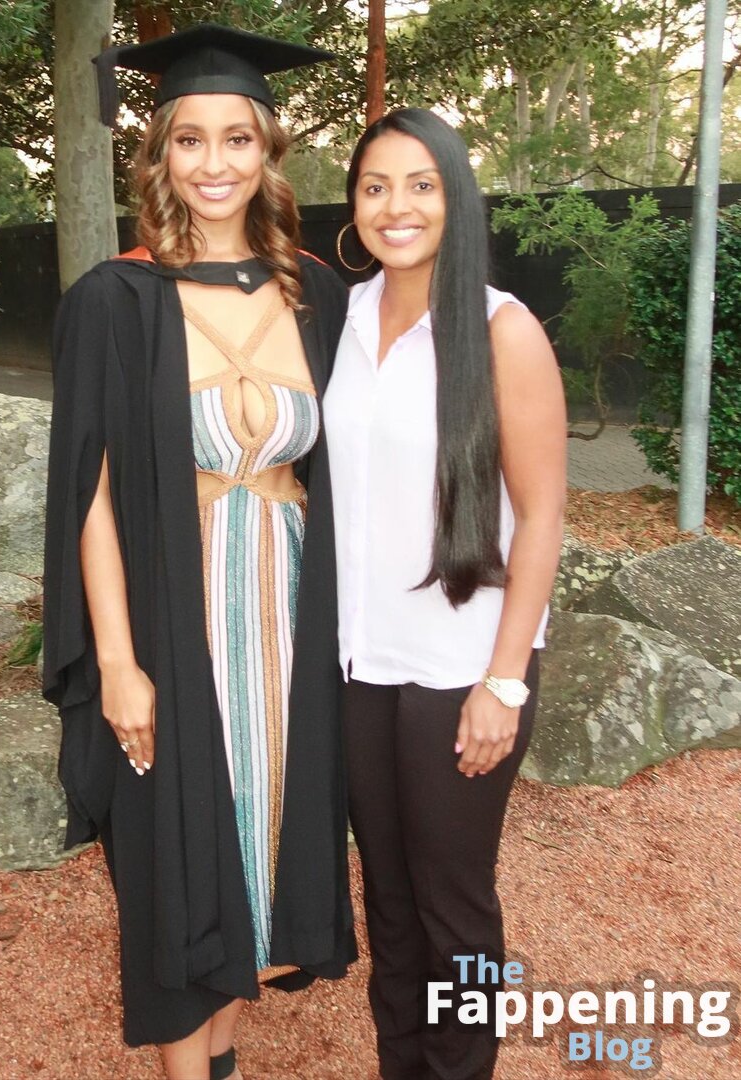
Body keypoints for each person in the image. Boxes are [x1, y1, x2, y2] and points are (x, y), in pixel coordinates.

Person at [42, 25, 355, 1080]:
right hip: (176, 618)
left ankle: (220, 1062)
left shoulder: (316, 294)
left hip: (290, 618)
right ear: (160, 155)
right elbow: (87, 497)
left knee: (254, 851)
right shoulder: (114, 301)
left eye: (236, 138)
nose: (213, 163)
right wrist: (117, 662)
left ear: (268, 151)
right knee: (173, 860)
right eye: (189, 140)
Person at [324, 109, 567, 1080]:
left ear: (456, 197)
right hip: (359, 664)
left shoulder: (503, 330)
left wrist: (503, 683)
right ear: (353, 204)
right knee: (388, 903)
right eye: (375, 185)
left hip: (461, 667)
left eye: (422, 184)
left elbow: (541, 516)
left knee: (453, 905)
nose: (398, 206)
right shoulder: (338, 320)